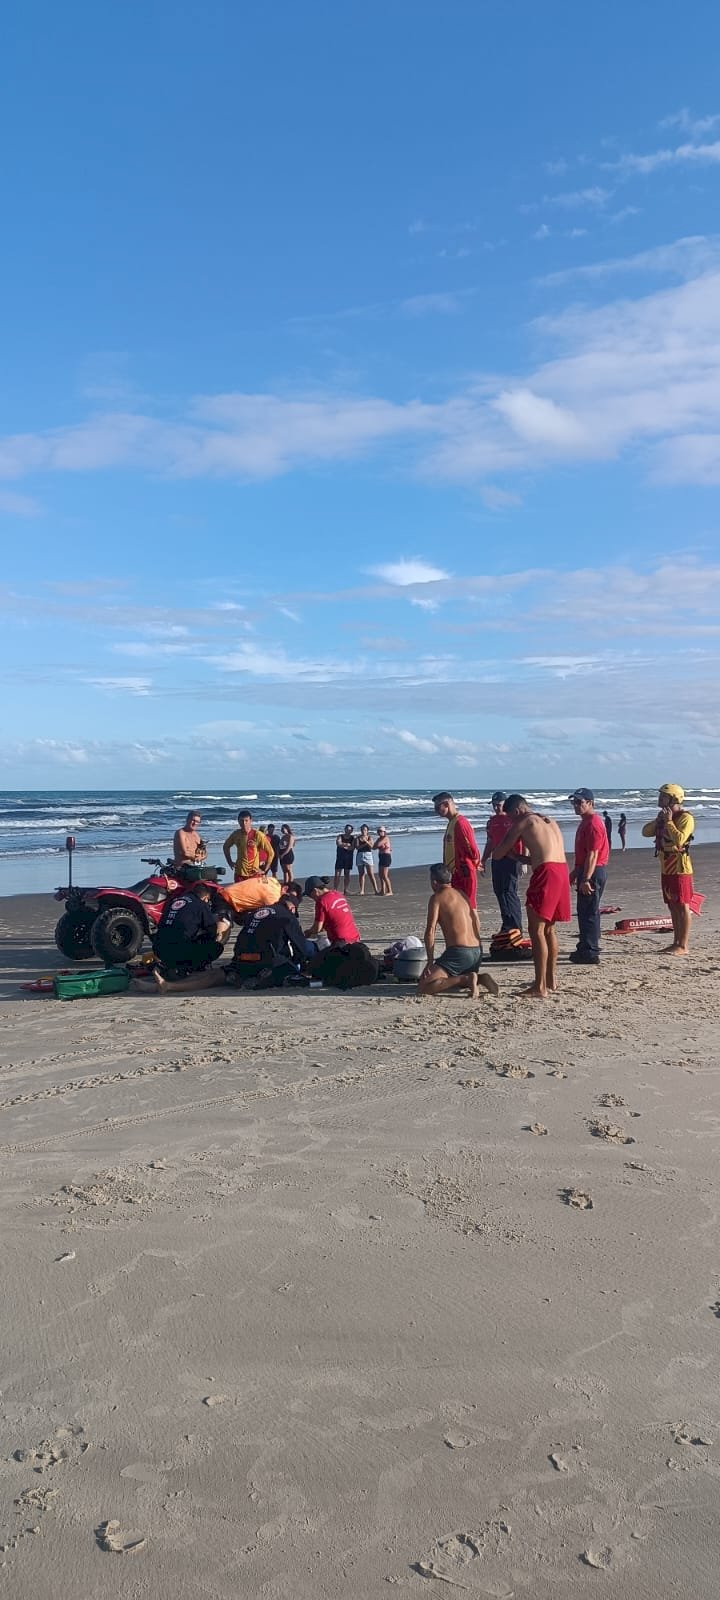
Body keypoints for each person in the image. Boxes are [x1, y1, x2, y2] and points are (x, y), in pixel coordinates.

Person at [493, 795, 571, 999]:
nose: (511, 821)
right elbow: (543, 853)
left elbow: (498, 853)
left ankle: (540, 986)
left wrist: (507, 847)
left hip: (546, 873)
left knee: (536, 930)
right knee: (549, 929)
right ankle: (551, 979)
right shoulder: (549, 820)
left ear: (517, 811)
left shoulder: (525, 822)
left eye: (511, 817)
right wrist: (520, 857)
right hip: (561, 869)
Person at [418, 864, 498, 999]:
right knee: (451, 979)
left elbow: (430, 931)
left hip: (460, 952)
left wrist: (430, 961)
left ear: (434, 882)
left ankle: (466, 979)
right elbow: (476, 921)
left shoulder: (437, 898)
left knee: (424, 987)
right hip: (477, 952)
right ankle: (479, 978)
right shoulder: (462, 894)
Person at [641, 784, 696, 956]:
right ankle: (676, 942)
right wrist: (660, 820)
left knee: (682, 905)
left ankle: (683, 945)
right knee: (672, 906)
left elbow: (680, 840)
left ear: (674, 799)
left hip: (680, 868)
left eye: (664, 796)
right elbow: (645, 832)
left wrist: (669, 822)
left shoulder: (686, 818)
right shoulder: (663, 817)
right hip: (666, 867)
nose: (660, 799)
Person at [152, 881, 231, 984]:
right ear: (205, 897)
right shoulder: (200, 904)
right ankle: (190, 968)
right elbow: (211, 929)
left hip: (159, 949)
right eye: (207, 900)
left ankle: (171, 965)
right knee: (216, 947)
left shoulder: (174, 901)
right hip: (179, 950)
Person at [568, 788, 610, 965]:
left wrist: (586, 878)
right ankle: (585, 946)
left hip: (593, 870)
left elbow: (593, 854)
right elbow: (584, 854)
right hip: (586, 869)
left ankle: (590, 951)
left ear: (590, 803)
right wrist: (575, 872)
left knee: (589, 911)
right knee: (585, 911)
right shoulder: (585, 822)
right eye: (574, 802)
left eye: (580, 802)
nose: (576, 805)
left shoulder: (593, 823)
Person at [481, 791, 525, 933]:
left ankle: (516, 926)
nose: (496, 808)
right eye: (493, 805)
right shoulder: (492, 821)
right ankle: (507, 924)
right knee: (499, 891)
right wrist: (483, 860)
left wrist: (523, 860)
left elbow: (524, 839)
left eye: (498, 805)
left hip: (512, 859)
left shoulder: (513, 819)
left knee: (510, 892)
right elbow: (490, 842)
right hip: (497, 859)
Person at [432, 791, 481, 907]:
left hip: (463, 871)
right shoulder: (451, 823)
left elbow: (472, 848)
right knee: (457, 905)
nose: (436, 811)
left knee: (468, 905)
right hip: (453, 872)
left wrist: (476, 863)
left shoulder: (460, 823)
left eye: (438, 807)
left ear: (447, 804)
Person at [303, 876, 360, 945]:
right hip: (355, 938)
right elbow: (333, 921)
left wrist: (308, 932)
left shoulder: (321, 902)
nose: (311, 898)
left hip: (340, 941)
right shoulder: (338, 894)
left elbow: (317, 928)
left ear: (315, 891)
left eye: (310, 895)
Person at [223, 811, 273, 881]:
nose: (244, 823)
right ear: (238, 821)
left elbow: (270, 852)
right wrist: (229, 862)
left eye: (246, 820)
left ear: (250, 821)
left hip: (254, 873)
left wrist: (265, 869)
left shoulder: (257, 835)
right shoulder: (236, 834)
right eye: (241, 821)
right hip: (240, 872)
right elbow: (225, 846)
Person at [356, 824, 380, 895]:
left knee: (370, 873)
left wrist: (366, 842)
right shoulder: (358, 838)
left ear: (367, 831)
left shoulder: (370, 837)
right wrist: (365, 844)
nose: (363, 831)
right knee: (361, 873)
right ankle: (362, 890)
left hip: (368, 855)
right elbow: (357, 847)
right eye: (362, 830)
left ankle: (376, 890)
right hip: (360, 855)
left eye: (365, 830)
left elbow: (372, 847)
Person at [334, 825, 356, 893]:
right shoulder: (340, 836)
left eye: (349, 830)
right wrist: (347, 844)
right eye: (347, 829)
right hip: (340, 858)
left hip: (348, 858)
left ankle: (345, 889)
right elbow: (338, 843)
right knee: (337, 874)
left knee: (347, 874)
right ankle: (335, 889)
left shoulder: (353, 838)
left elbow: (352, 847)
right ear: (345, 829)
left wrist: (344, 845)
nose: (348, 831)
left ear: (351, 831)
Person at [375, 826, 393, 895]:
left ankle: (390, 891)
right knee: (380, 875)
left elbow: (377, 845)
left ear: (384, 832)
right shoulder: (379, 839)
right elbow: (373, 847)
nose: (379, 832)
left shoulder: (386, 838)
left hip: (386, 857)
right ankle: (383, 890)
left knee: (385, 875)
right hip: (381, 856)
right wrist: (378, 845)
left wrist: (379, 845)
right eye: (378, 831)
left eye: (381, 831)